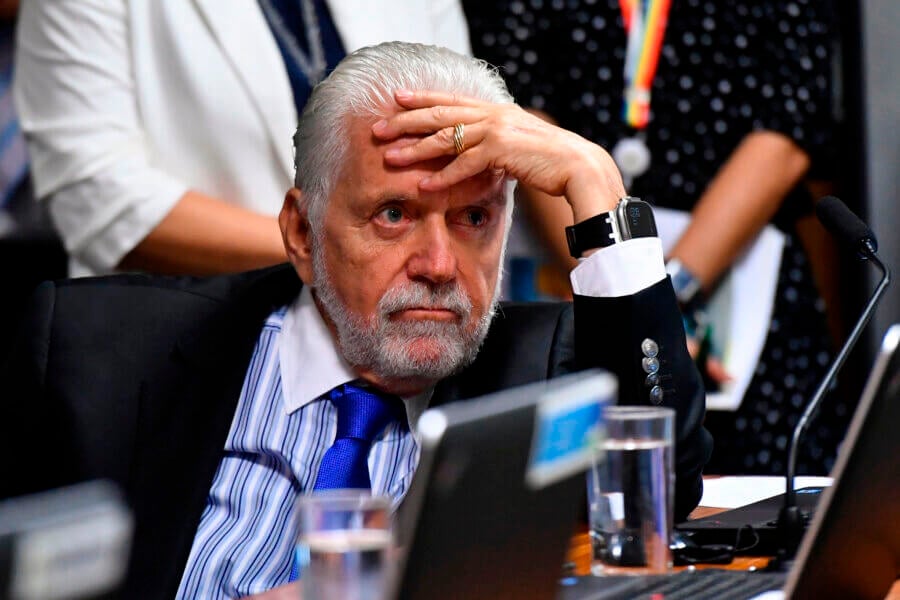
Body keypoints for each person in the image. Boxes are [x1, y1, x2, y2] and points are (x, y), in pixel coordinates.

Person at [0, 42, 711, 599]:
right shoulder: (95, 346)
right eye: (394, 214)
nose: (438, 262)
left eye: (473, 219)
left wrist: (595, 183)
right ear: (303, 235)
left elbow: (661, 480)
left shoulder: (549, 361)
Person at [465, 0, 839, 475]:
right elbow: (516, 115)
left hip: (741, 303)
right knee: (602, 504)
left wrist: (665, 296)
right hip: (572, 278)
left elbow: (787, 130)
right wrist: (612, 283)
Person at [13, 0, 470, 277]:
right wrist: (344, 256)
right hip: (189, 344)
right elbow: (98, 197)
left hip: (400, 340)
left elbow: (463, 125)